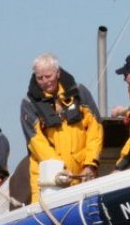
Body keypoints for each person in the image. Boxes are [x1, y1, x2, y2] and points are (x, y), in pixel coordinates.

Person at [19, 52, 103, 203]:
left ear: (57, 73)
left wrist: (90, 164)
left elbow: (95, 129)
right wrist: (59, 169)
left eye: (48, 76)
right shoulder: (29, 104)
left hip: (83, 175)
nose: (45, 81)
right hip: (49, 180)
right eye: (40, 78)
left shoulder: (79, 92)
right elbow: (37, 142)